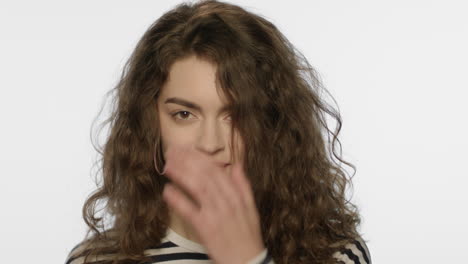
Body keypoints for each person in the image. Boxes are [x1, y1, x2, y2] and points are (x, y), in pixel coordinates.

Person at [65, 0, 372, 263]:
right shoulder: (96, 260)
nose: (210, 144)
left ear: (273, 124)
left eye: (236, 116)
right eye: (184, 114)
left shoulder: (336, 254)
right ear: (150, 123)